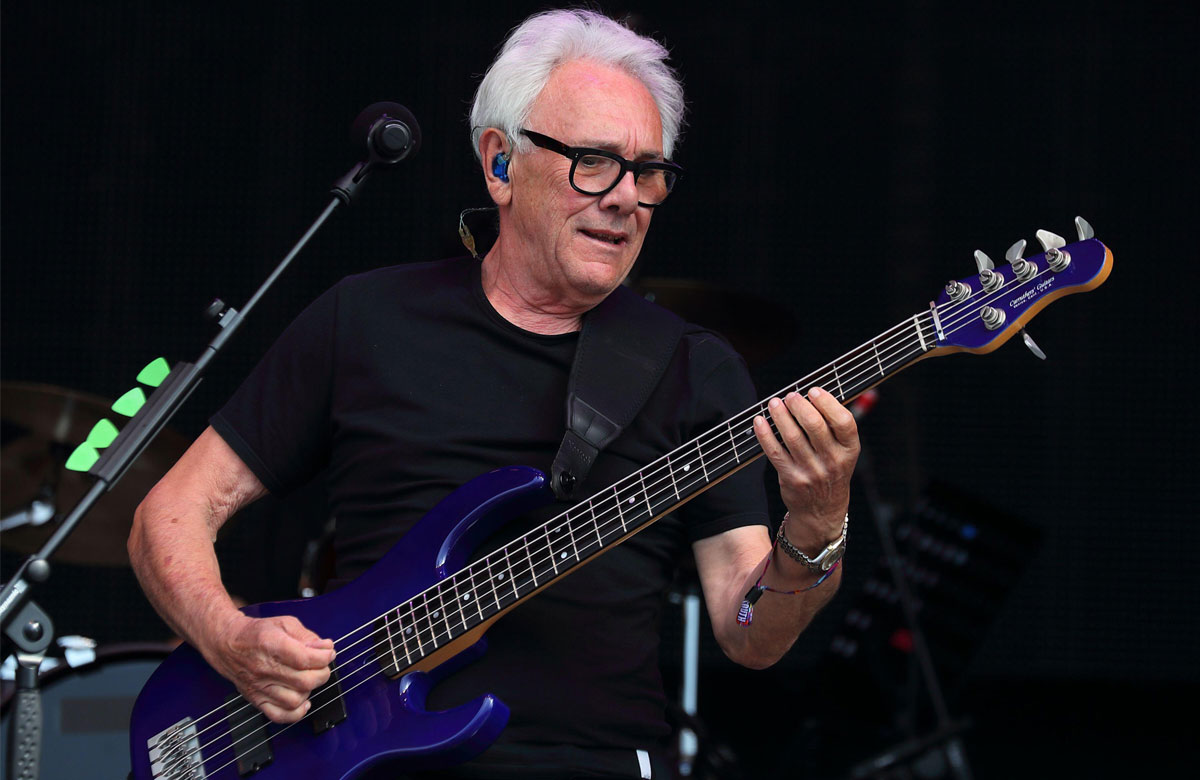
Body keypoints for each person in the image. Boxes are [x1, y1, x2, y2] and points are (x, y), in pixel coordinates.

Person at [128, 9, 859, 779]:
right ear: (500, 163)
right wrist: (228, 638)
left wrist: (816, 528)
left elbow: (750, 633)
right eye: (593, 162)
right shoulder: (366, 320)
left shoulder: (695, 370)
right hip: (355, 760)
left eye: (647, 172)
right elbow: (170, 513)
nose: (624, 197)